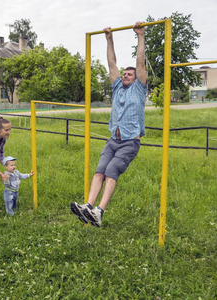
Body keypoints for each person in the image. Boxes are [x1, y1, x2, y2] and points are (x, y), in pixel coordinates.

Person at [70, 21, 147, 227]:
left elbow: (140, 63)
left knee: (111, 171)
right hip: (113, 140)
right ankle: (88, 205)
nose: (125, 75)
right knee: (99, 171)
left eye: (129, 74)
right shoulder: (117, 88)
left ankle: (99, 212)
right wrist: (109, 38)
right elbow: (112, 63)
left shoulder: (139, 89)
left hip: (130, 142)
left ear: (136, 78)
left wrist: (140, 35)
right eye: (125, 73)